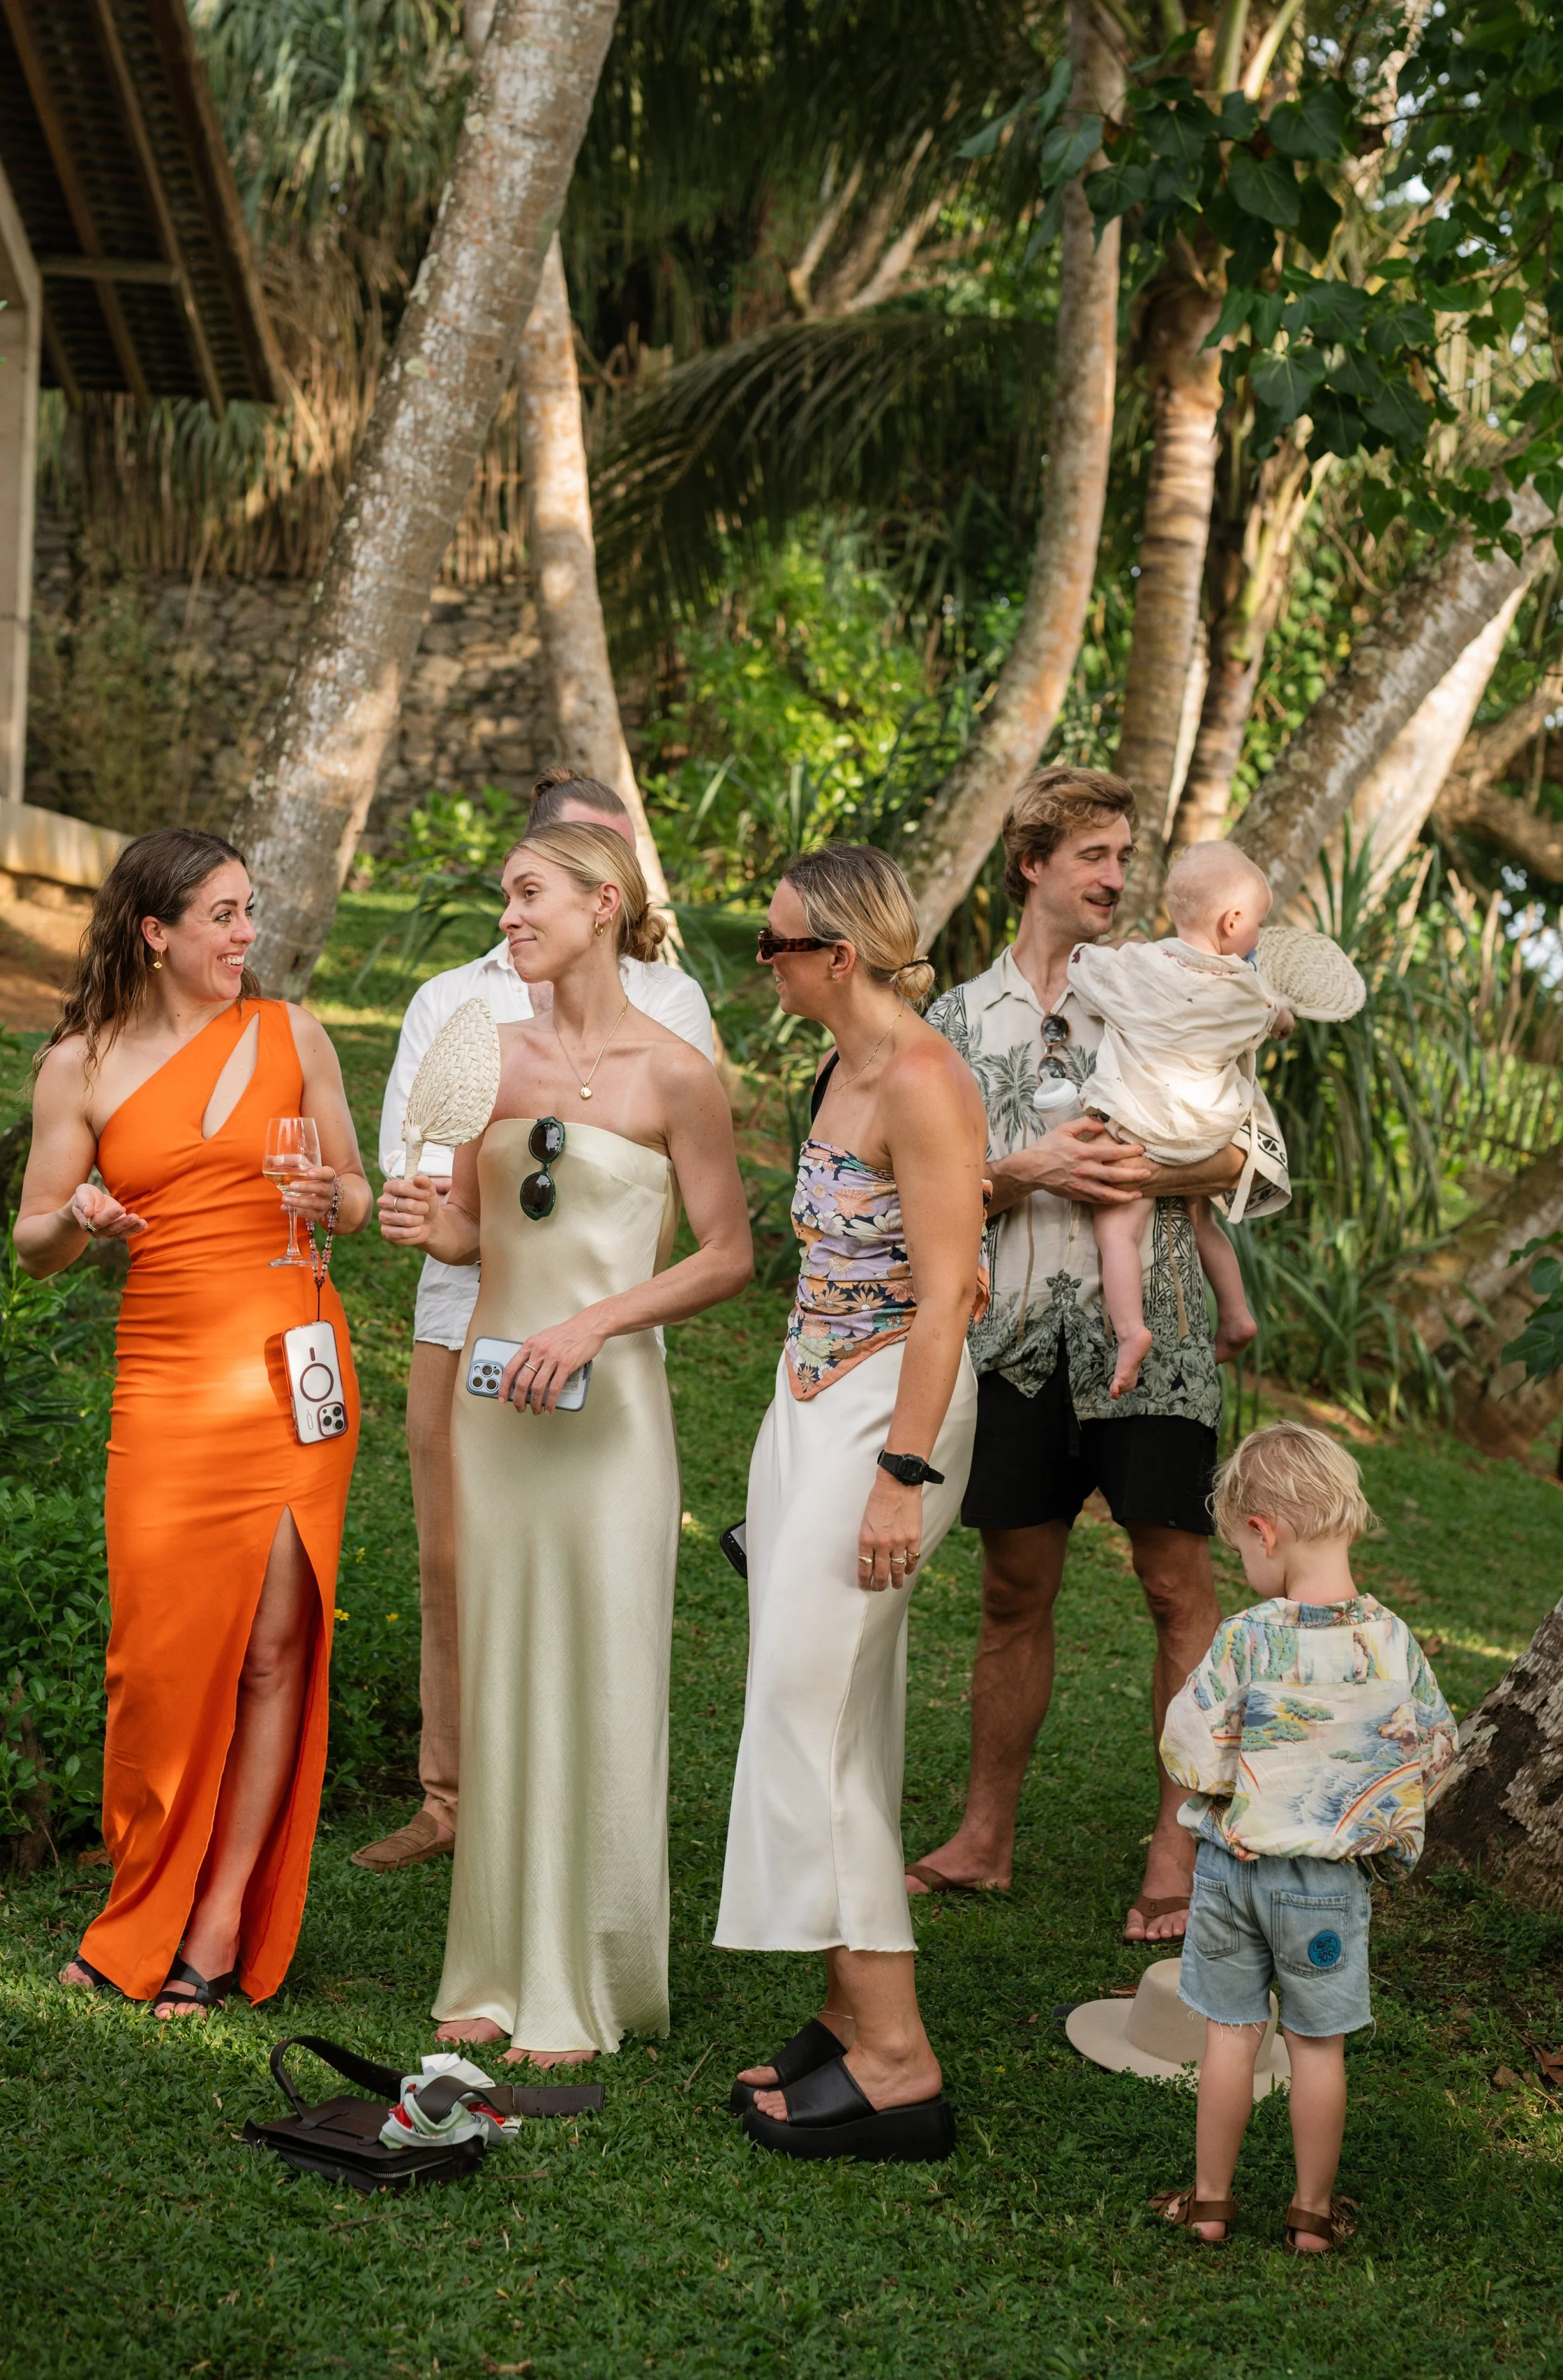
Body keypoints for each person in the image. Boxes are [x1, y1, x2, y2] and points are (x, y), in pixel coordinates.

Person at [379, 821, 751, 2063]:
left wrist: (596, 1320)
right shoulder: (484, 1054)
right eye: (503, 899)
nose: (509, 918)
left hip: (611, 1420)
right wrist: (425, 1224)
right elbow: (476, 1235)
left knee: (599, 1670)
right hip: (498, 1412)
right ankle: (488, 1969)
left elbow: (726, 1255)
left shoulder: (675, 1072)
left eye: (528, 896)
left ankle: (586, 1976)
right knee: (500, 1667)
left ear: (604, 906)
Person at [911, 765, 1289, 1943]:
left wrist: (1152, 1171)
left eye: (1129, 859)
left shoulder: (1190, 990)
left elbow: (1247, 1162)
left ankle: (1176, 1856)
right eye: (1095, 859)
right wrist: (1031, 1170)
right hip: (1013, 1340)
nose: (1120, 880)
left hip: (1162, 1339)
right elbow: (916, 1188)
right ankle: (984, 1839)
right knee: (1013, 1591)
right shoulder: (956, 1025)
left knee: (1178, 1587)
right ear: (1032, 866)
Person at [16, 826, 370, 2015]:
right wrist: (83, 1213)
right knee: (156, 1665)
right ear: (156, 931)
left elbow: (357, 1195)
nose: (244, 935)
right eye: (222, 915)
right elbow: (35, 1248)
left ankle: (215, 1927)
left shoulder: (295, 1035)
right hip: (166, 1383)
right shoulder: (82, 1064)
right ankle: (138, 1907)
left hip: (290, 1372)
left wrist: (338, 1198)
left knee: (273, 1654)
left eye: (248, 911)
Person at [354, 767, 715, 1873]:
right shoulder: (452, 1005)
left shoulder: (672, 1013)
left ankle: (576, 1809)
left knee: (585, 1566)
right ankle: (450, 1798)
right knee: (457, 1557)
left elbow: (666, 1204)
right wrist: (425, 1208)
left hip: (597, 1322)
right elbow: (423, 1168)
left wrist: (592, 1303)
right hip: (461, 1314)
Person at [716, 844, 987, 2162]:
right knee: (836, 1715)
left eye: (773, 943)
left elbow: (948, 1299)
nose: (758, 961)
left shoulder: (927, 1081)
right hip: (808, 1401)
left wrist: (899, 1478)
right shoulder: (832, 1064)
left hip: (892, 1417)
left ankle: (897, 2059)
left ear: (836, 955)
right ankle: (841, 2011)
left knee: (802, 1715)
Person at [1156, 1422, 1455, 2251]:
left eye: (1238, 1549)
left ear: (1265, 1531)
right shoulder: (1393, 1642)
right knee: (1316, 2048)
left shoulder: (1248, 1637)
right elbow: (1432, 1748)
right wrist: (1378, 1835)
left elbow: (1189, 1743)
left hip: (1231, 1870)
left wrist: (1225, 1805)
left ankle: (1211, 2202)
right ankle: (1312, 2217)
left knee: (1229, 2036)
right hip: (1325, 1886)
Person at [1068, 840, 1292, 1398]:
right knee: (1201, 1219)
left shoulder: (1141, 966)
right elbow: (1274, 1018)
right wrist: (1280, 1015)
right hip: (1208, 1131)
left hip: (1142, 1126)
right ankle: (1236, 1314)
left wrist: (1120, 947)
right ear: (1232, 920)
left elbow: (1082, 968)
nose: (1259, 936)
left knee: (1118, 1229)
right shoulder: (1248, 990)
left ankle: (1130, 1331)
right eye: (1260, 924)